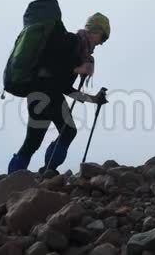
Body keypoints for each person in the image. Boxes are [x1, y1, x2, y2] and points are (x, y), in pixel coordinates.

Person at [7, 13, 110, 174]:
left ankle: (12, 179)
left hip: (38, 94)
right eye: (102, 38)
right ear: (95, 31)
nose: (101, 43)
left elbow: (66, 87)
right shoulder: (70, 41)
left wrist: (94, 99)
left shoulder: (79, 51)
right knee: (68, 131)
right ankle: (48, 171)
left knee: (33, 141)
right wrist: (77, 69)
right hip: (46, 92)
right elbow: (49, 66)